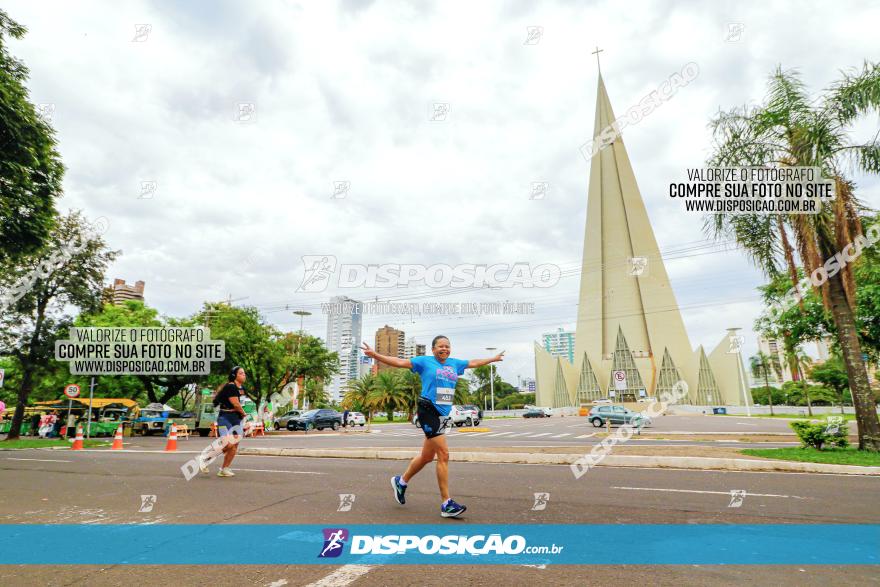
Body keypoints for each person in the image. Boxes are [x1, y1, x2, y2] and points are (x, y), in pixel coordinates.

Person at [361, 336, 504, 518]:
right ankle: (446, 504)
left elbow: (474, 363)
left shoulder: (454, 364)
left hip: (443, 413)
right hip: (428, 409)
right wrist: (375, 355)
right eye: (440, 346)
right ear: (433, 349)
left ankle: (401, 482)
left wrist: (492, 358)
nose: (444, 349)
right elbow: (399, 361)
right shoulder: (424, 362)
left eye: (447, 346)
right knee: (443, 454)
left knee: (427, 456)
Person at [205, 366, 248, 477]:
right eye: (241, 373)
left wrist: (244, 416)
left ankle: (224, 469)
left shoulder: (241, 388)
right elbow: (236, 404)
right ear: (234, 375)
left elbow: (241, 403)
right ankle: (206, 458)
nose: (244, 375)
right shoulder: (231, 387)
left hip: (236, 418)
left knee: (235, 445)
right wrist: (244, 413)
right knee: (228, 444)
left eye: (244, 373)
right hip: (225, 417)